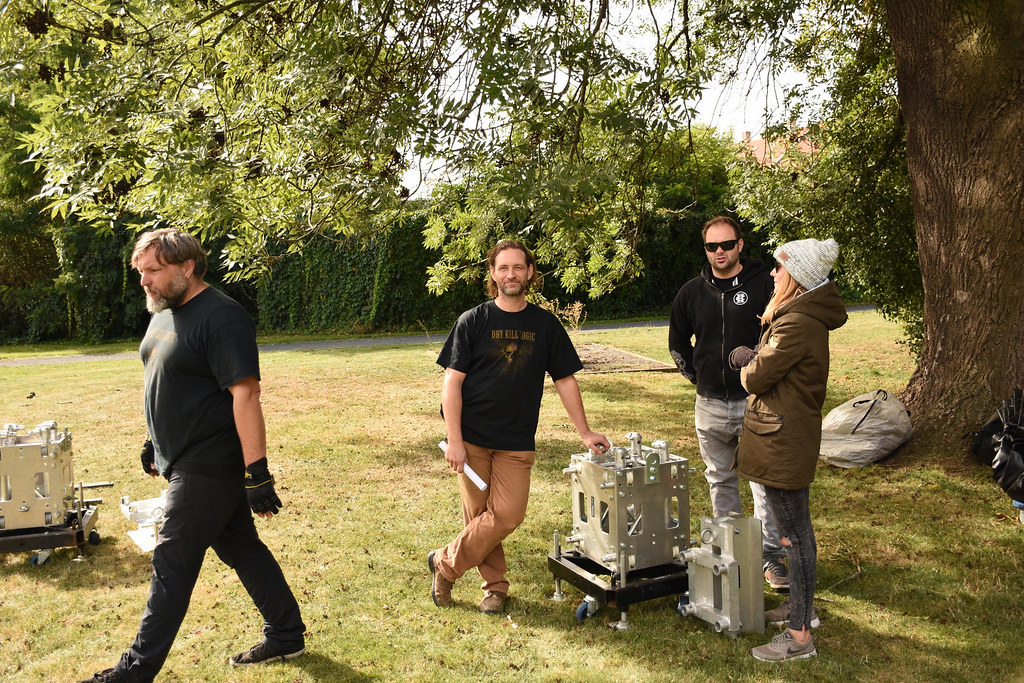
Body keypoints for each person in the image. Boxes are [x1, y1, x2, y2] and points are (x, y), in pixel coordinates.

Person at [79, 229, 305, 683]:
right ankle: (286, 634)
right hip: (183, 458)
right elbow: (167, 378)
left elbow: (246, 394)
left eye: (153, 271)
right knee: (243, 549)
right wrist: (153, 440)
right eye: (141, 272)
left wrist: (257, 471)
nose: (144, 281)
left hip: (210, 464)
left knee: (172, 565)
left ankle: (133, 673)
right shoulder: (164, 310)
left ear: (187, 267)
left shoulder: (223, 318)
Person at [429, 239, 610, 614]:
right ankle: (495, 588)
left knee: (507, 515)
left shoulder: (545, 325)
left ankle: (444, 564)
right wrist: (455, 439)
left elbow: (565, 380)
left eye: (517, 267)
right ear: (492, 274)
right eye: (503, 268)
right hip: (472, 436)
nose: (510, 274)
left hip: (516, 439)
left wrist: (585, 432)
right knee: (480, 517)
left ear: (529, 273)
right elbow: (452, 382)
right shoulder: (473, 321)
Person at [731, 237, 847, 662]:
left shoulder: (797, 323)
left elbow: (755, 378)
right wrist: (758, 356)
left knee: (793, 538)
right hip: (783, 437)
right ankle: (803, 612)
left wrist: (748, 361)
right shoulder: (798, 317)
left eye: (780, 267)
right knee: (795, 533)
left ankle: (799, 638)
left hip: (783, 440)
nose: (773, 273)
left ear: (797, 275)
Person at [668, 216, 789, 590]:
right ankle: (731, 553)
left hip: (757, 402)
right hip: (709, 404)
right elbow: (677, 343)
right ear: (705, 249)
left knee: (763, 483)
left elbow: (782, 337)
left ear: (740, 245)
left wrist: (760, 378)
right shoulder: (691, 293)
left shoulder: (764, 286)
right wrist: (699, 378)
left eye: (726, 245)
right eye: (711, 246)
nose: (719, 252)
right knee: (720, 479)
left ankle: (771, 558)